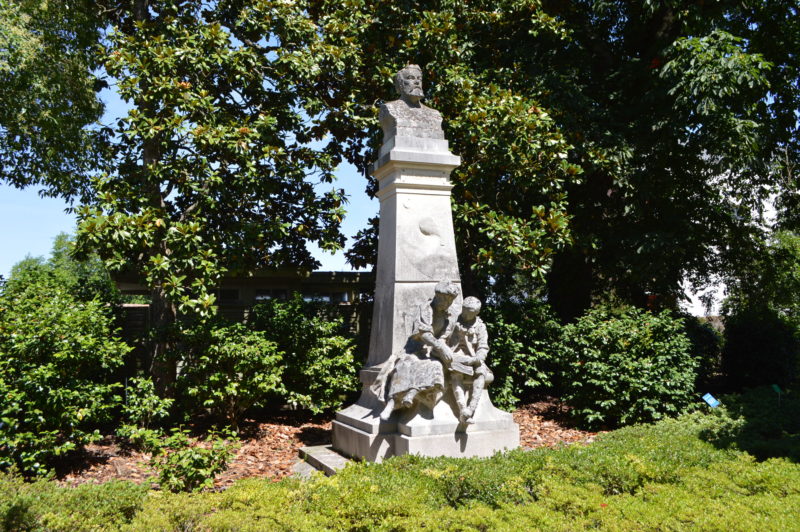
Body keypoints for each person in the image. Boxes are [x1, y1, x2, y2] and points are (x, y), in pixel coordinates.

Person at [372, 281, 460, 420]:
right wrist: (440, 346)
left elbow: (444, 336)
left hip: (433, 352)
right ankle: (391, 403)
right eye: (443, 299)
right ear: (437, 296)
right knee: (405, 365)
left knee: (435, 366)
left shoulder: (449, 315)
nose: (446, 303)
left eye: (449, 301)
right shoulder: (425, 308)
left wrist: (442, 349)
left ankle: (412, 393)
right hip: (414, 349)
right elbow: (423, 333)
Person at [447, 297, 493, 424]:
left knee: (481, 372)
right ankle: (462, 409)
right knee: (456, 374)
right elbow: (443, 338)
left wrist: (478, 358)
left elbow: (483, 346)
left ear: (476, 313)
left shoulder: (480, 326)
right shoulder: (452, 321)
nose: (466, 314)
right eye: (465, 310)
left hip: (473, 357)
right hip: (455, 357)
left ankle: (471, 409)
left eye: (470, 312)